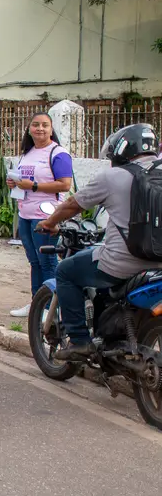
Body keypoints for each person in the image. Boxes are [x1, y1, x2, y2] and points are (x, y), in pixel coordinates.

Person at [39, 124, 162, 360]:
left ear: (122, 149)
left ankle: (80, 341)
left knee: (65, 271)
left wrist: (49, 222)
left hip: (123, 263)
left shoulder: (112, 176)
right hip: (158, 265)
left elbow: (73, 204)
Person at [7, 113, 73, 317]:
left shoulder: (58, 153)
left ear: (51, 130)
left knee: (47, 261)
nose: (40, 128)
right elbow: (24, 180)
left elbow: (65, 184)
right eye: (35, 125)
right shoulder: (28, 153)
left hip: (46, 215)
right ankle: (36, 303)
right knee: (34, 262)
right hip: (25, 214)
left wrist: (34, 186)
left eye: (45, 125)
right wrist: (14, 182)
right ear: (29, 129)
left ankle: (51, 308)